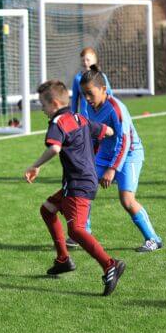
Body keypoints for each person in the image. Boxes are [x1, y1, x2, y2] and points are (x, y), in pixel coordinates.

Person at [24, 79, 125, 296]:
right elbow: (107, 131)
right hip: (80, 180)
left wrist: (35, 166)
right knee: (48, 209)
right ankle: (63, 259)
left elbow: (55, 148)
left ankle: (110, 265)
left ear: (53, 102)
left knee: (76, 230)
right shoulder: (80, 118)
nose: (42, 109)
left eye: (42, 104)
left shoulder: (58, 121)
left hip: (78, 183)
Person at [80, 65, 163, 252]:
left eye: (90, 94)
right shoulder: (89, 106)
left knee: (126, 200)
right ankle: (83, 233)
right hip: (105, 152)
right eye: (84, 94)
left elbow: (124, 141)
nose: (86, 98)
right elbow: (94, 132)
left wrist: (112, 169)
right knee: (84, 186)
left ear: (103, 89)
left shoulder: (116, 108)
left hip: (130, 154)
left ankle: (153, 239)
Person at [70, 47, 113, 117]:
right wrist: (73, 115)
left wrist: (111, 110)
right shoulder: (77, 78)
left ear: (94, 61)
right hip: (85, 117)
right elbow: (74, 100)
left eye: (88, 60)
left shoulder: (101, 76)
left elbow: (109, 94)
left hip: (101, 115)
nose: (85, 63)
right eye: (83, 60)